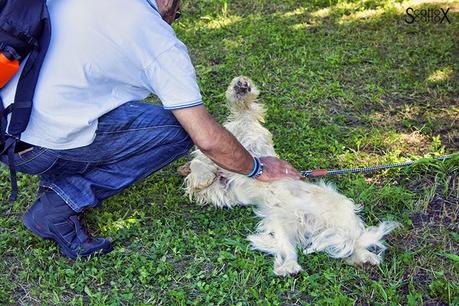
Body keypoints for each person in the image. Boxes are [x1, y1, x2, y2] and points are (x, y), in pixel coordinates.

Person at [0, 0, 301, 260]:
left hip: (7, 125)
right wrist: (257, 168)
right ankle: (57, 205)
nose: (174, 20)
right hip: (34, 146)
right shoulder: (156, 38)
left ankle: (61, 167)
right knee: (178, 130)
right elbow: (206, 138)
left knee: (123, 112)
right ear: (169, 3)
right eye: (178, 13)